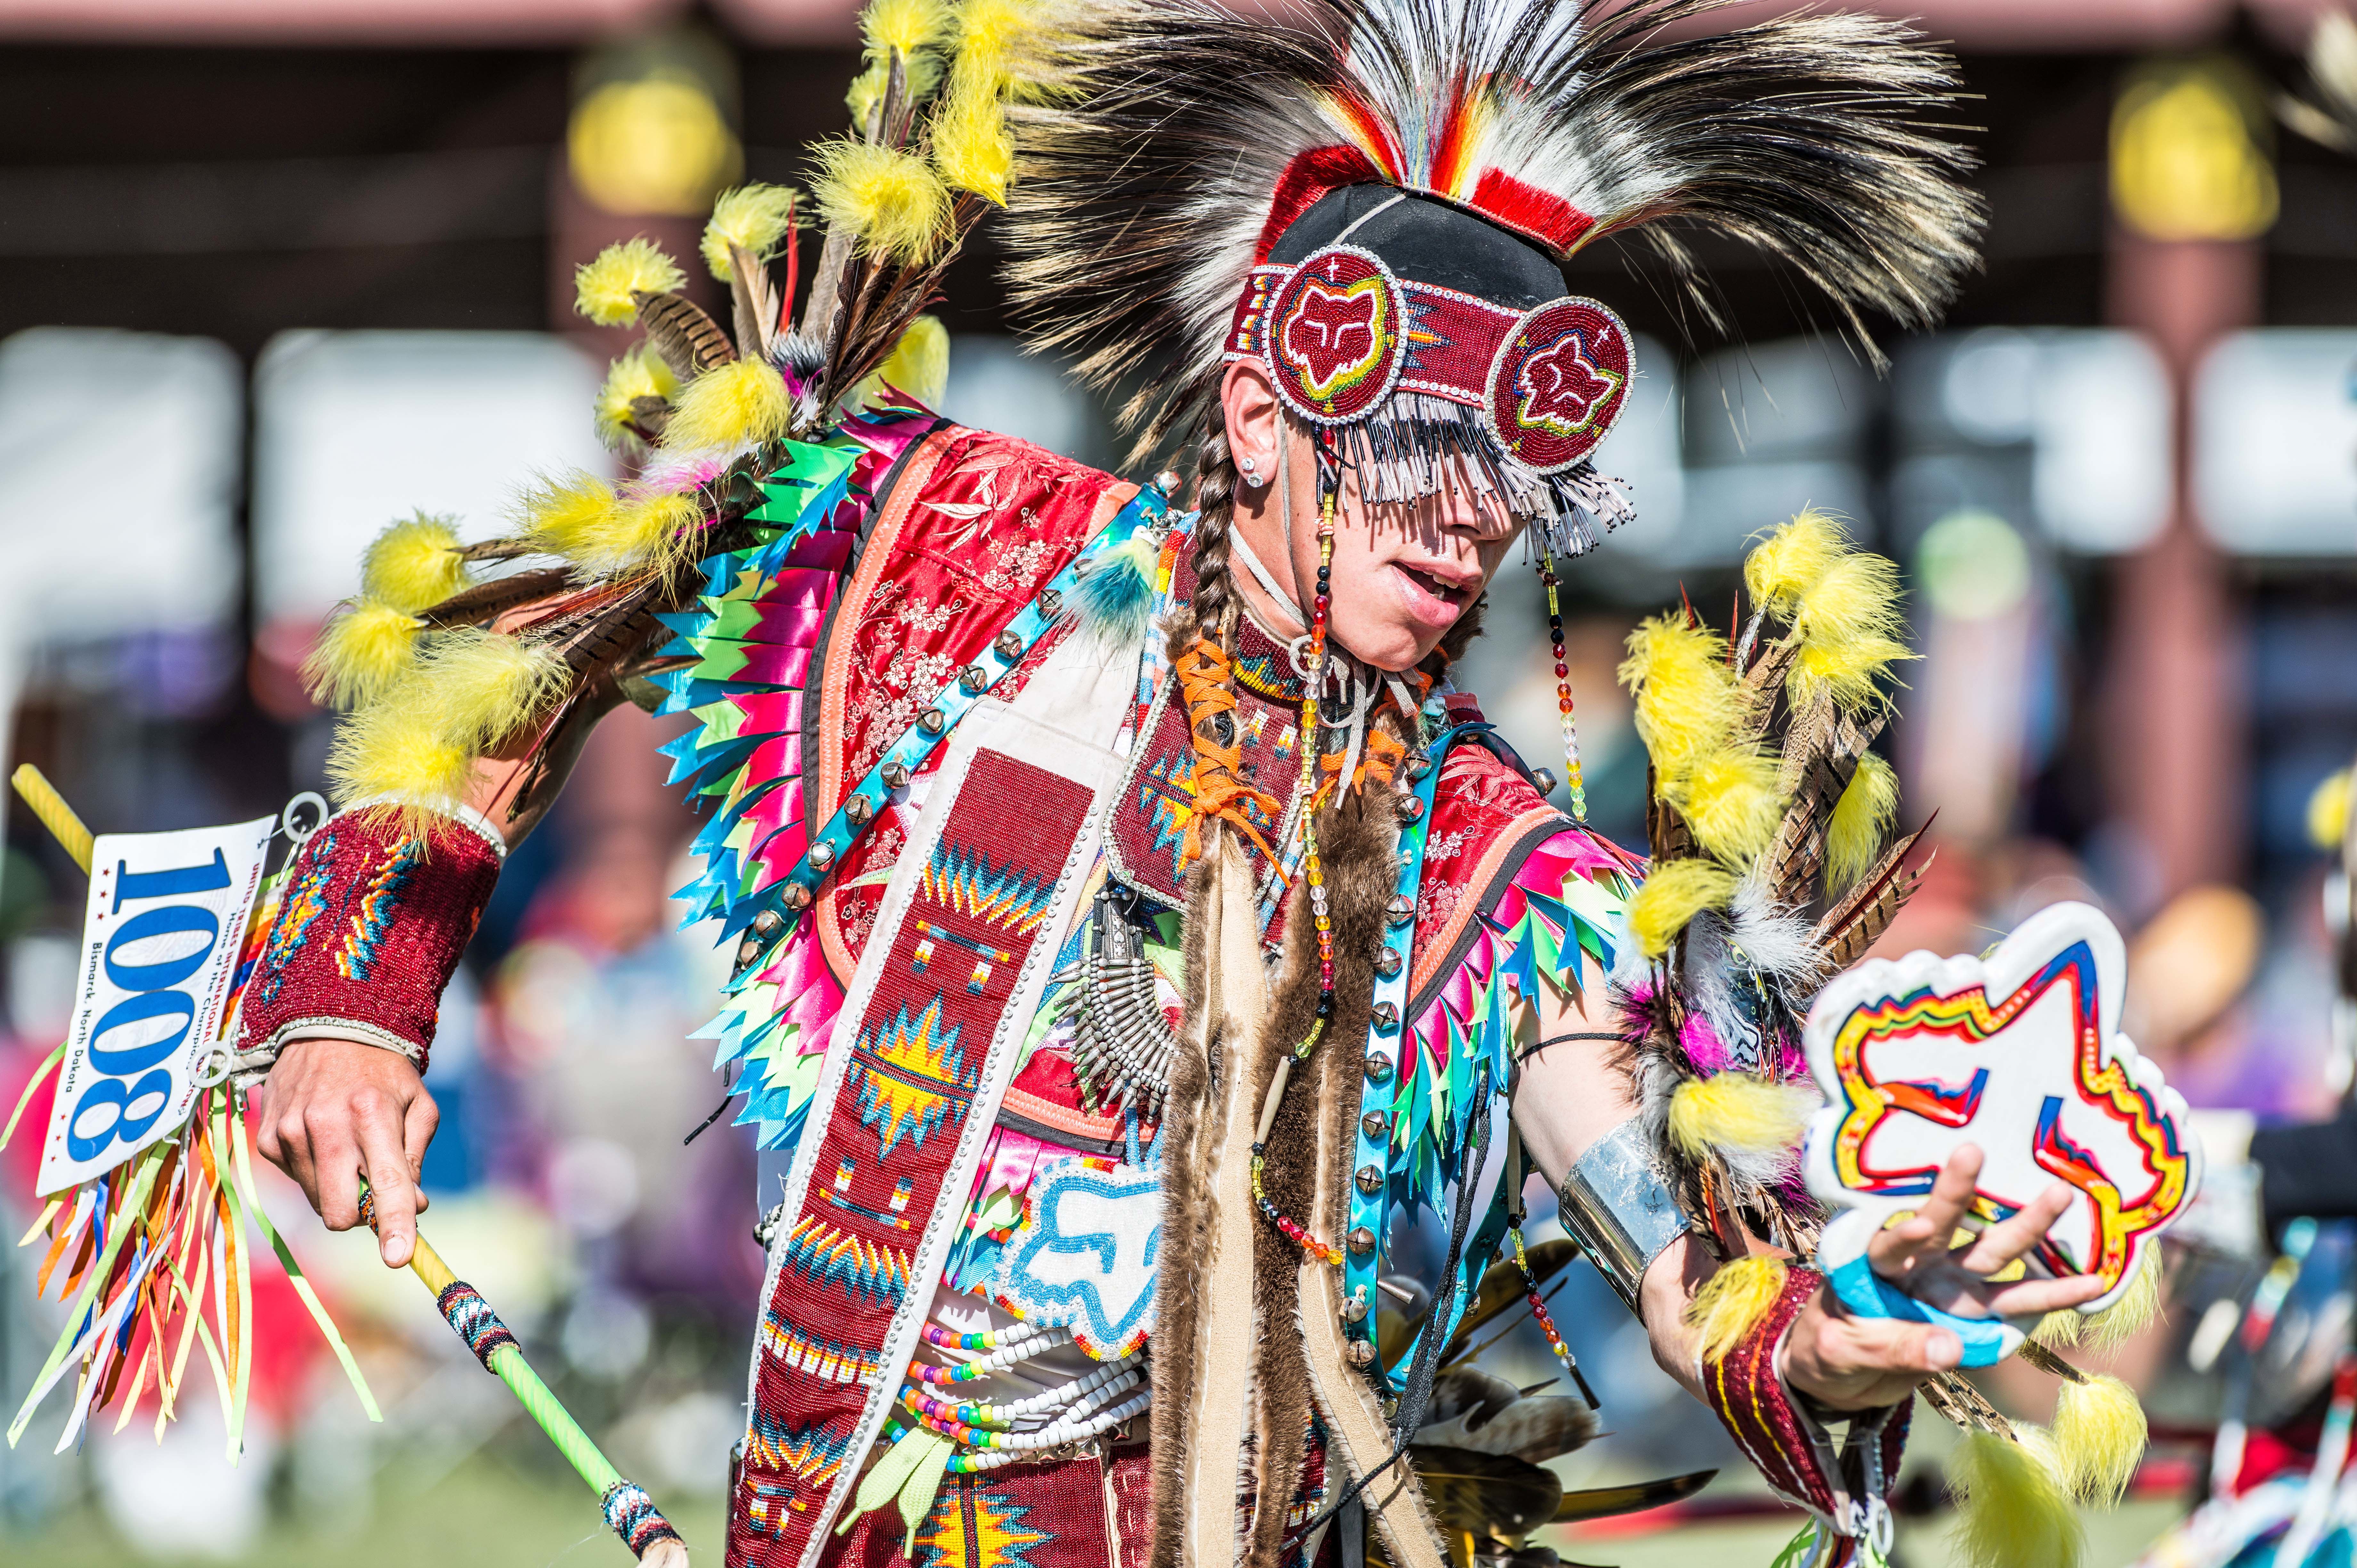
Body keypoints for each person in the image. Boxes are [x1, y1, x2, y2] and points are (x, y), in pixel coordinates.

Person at [230, 1, 2106, 1563]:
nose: (1464, 523)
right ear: (1265, 410)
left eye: (1507, 482)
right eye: (1412, 451)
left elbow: (1692, 1267)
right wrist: (357, 995)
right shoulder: (960, 556)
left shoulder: (1495, 868)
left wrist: (1853, 1324)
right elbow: (569, 598)